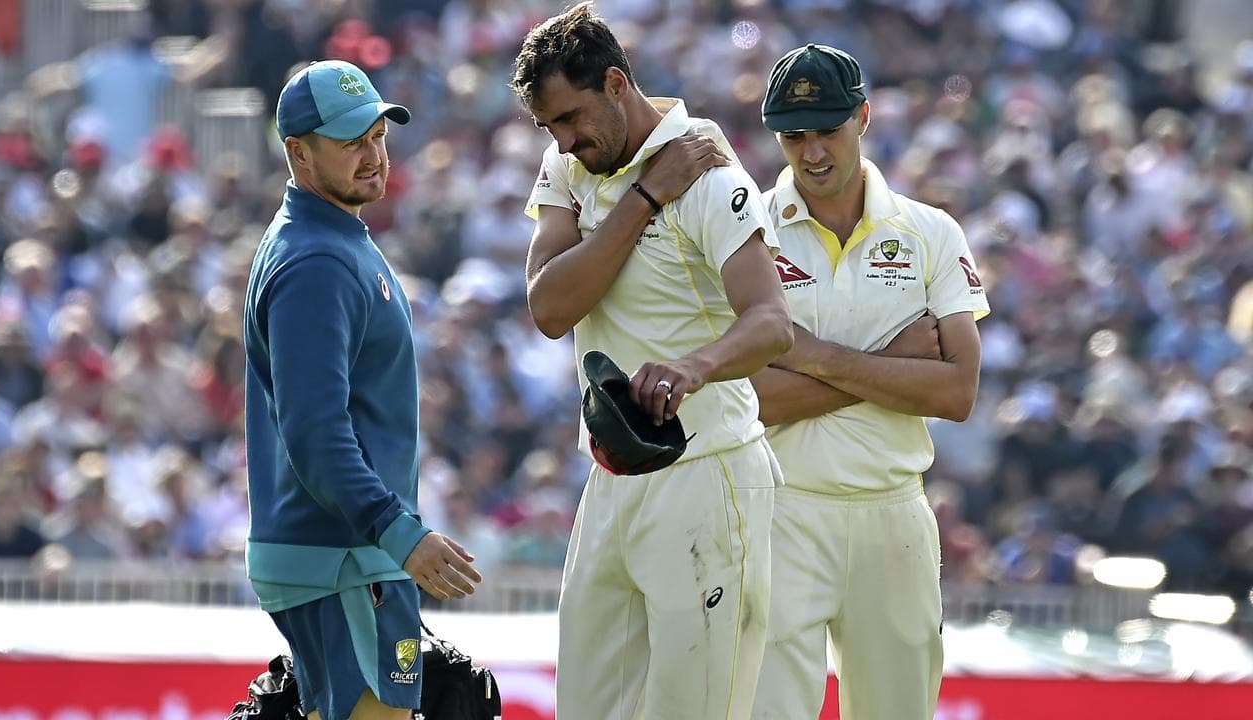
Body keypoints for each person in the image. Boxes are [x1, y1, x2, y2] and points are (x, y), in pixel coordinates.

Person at [510, 4, 793, 718]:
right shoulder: (580, 165)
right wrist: (641, 198)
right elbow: (549, 309)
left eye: (573, 118)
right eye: (551, 129)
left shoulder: (703, 168)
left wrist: (695, 366)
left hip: (706, 468)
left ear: (615, 82)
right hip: (610, 476)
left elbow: (772, 323)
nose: (566, 142)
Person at [747, 45, 990, 720]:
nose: (813, 152)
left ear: (863, 117)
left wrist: (812, 356)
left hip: (894, 516)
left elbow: (956, 393)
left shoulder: (931, 232)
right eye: (794, 136)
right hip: (780, 510)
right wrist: (894, 360)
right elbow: (747, 398)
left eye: (828, 129)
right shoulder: (746, 233)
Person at [243, 60, 481, 720]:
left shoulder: (332, 238)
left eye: (378, 135)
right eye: (351, 142)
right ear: (298, 151)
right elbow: (316, 433)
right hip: (346, 559)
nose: (373, 155)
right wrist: (398, 533)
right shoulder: (316, 258)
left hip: (354, 557)